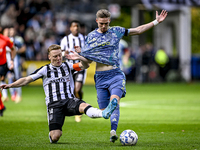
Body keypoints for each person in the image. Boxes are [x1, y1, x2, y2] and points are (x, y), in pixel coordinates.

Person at [67, 9, 168, 143]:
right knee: (104, 111)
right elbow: (88, 62)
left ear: (109, 21)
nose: (104, 26)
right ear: (97, 21)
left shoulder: (116, 31)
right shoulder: (90, 37)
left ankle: (113, 132)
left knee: (115, 101)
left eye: (106, 24)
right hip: (100, 77)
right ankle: (110, 119)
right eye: (101, 23)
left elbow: (137, 30)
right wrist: (80, 57)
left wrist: (156, 21)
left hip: (115, 74)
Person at [0, 44, 118, 143]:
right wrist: (11, 85)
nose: (58, 58)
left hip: (69, 101)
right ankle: (52, 135)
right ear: (49, 57)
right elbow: (26, 79)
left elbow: (85, 65)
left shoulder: (68, 66)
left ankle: (103, 113)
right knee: (56, 136)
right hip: (54, 105)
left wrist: (80, 56)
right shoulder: (44, 70)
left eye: (59, 56)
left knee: (83, 106)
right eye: (55, 56)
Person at [60, 20, 86, 122]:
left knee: (77, 89)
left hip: (80, 66)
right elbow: (60, 53)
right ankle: (77, 106)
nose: (76, 28)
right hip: (69, 67)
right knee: (71, 90)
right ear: (70, 28)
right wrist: (63, 53)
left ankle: (78, 109)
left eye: (77, 26)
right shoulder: (65, 40)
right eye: (74, 26)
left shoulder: (84, 39)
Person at [2, 26, 26, 103]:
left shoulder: (15, 40)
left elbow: (23, 48)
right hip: (6, 63)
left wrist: (16, 51)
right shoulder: (4, 40)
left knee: (16, 78)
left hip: (15, 63)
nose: (10, 32)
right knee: (8, 78)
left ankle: (19, 95)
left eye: (11, 31)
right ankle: (11, 95)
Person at [0, 26, 16, 116]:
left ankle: (2, 105)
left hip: (2, 65)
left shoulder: (5, 40)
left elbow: (13, 49)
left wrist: (12, 60)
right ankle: (1, 106)